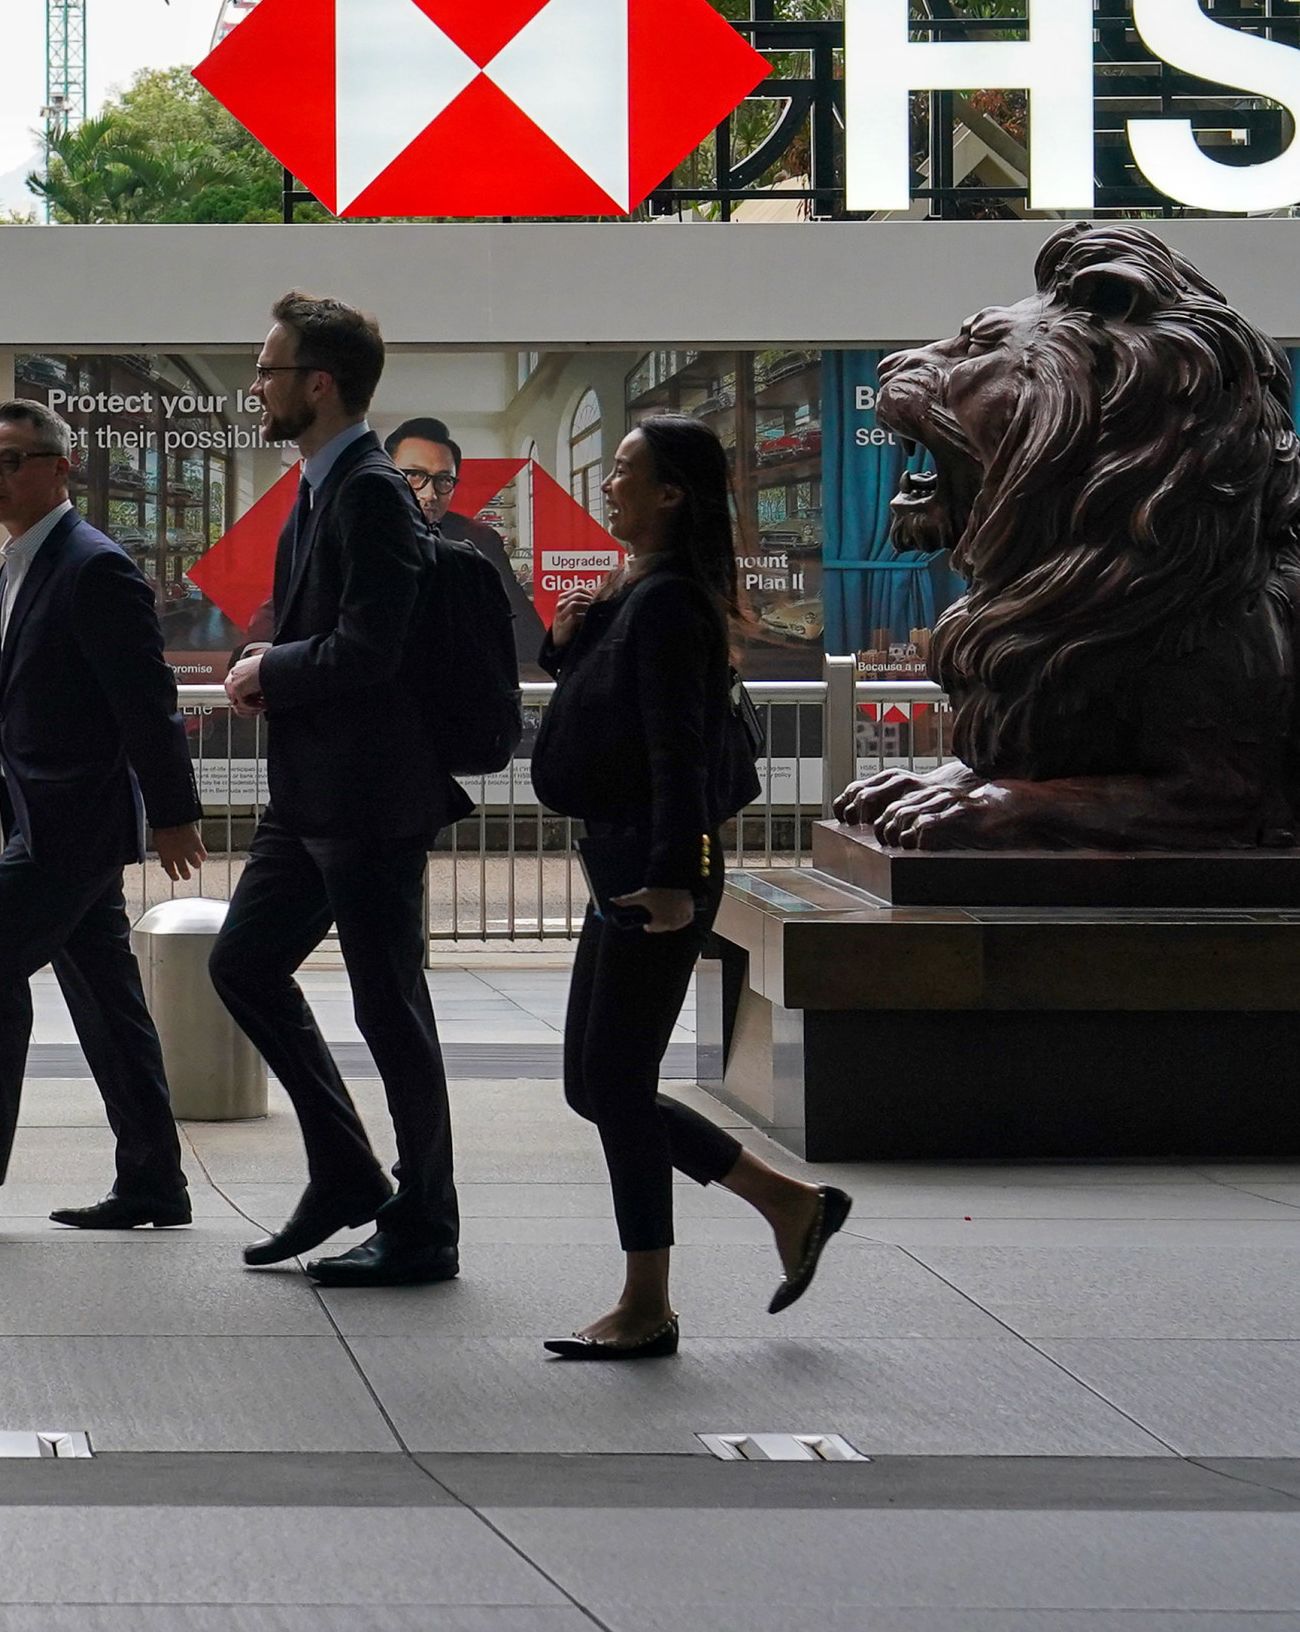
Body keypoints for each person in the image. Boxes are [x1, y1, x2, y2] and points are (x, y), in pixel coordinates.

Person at [530, 413, 852, 1360]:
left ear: (670, 493)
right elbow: (611, 709)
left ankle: (647, 1303)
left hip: (652, 873)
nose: (607, 483)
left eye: (624, 470)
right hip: (622, 865)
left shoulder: (670, 604)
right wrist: (575, 631)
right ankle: (788, 1202)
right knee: (594, 1085)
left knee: (615, 1086)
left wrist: (675, 882)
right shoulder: (645, 593)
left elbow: (677, 758)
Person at [0, 400, 210, 1233]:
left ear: (59, 469)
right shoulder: (19, 560)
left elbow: (146, 702)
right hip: (48, 816)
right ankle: (153, 1182)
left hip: (70, 822)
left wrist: (172, 812)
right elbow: (0, 692)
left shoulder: (93, 565)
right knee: (108, 1005)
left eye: (11, 461)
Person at [208, 293, 469, 1287]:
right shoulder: (322, 482)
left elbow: (373, 644)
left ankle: (426, 1223)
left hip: (367, 796)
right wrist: (261, 656)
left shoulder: (366, 488)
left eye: (269, 370)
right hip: (312, 790)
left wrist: (272, 672)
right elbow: (308, 615)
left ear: (319, 383)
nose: (258, 387)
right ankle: (350, 1172)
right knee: (243, 962)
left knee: (390, 1007)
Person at [388, 416, 544, 673]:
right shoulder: (355, 534)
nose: (430, 495)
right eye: (414, 475)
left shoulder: (479, 539)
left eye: (444, 480)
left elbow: (522, 634)